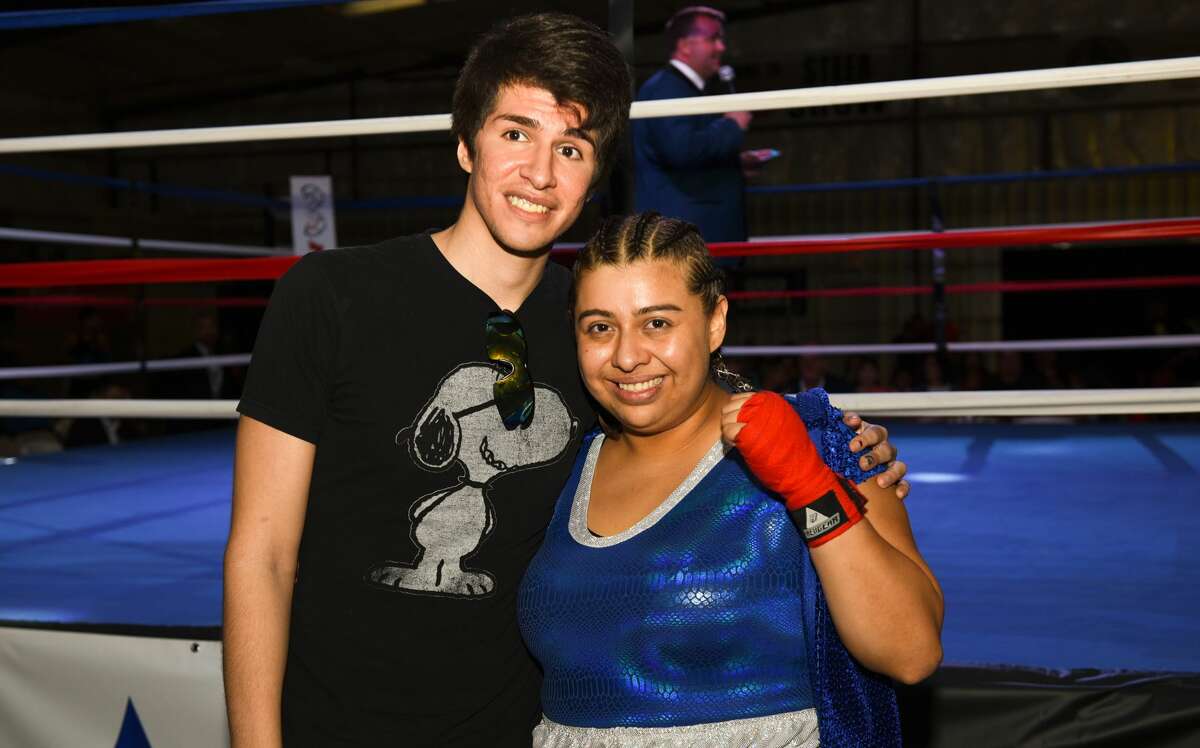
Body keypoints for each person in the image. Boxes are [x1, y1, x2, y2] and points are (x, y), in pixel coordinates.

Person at [223, 14, 906, 747]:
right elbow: (261, 553)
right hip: (336, 724)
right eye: (516, 134)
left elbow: (705, 398)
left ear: (594, 178)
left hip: (520, 729)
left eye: (571, 148)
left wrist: (840, 450)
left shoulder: (595, 333)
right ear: (465, 143)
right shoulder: (331, 296)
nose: (541, 174)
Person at [519, 213, 943, 747]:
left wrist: (810, 482)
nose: (627, 356)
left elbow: (912, 651)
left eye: (657, 323)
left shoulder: (822, 441)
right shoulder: (561, 465)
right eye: (600, 327)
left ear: (715, 321)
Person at [632, 6, 776, 242]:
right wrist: (731, 125)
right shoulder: (666, 88)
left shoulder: (685, 88)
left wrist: (735, 164)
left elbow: (689, 154)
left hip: (697, 230)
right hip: (686, 233)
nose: (721, 47)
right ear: (685, 45)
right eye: (713, 39)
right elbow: (681, 150)